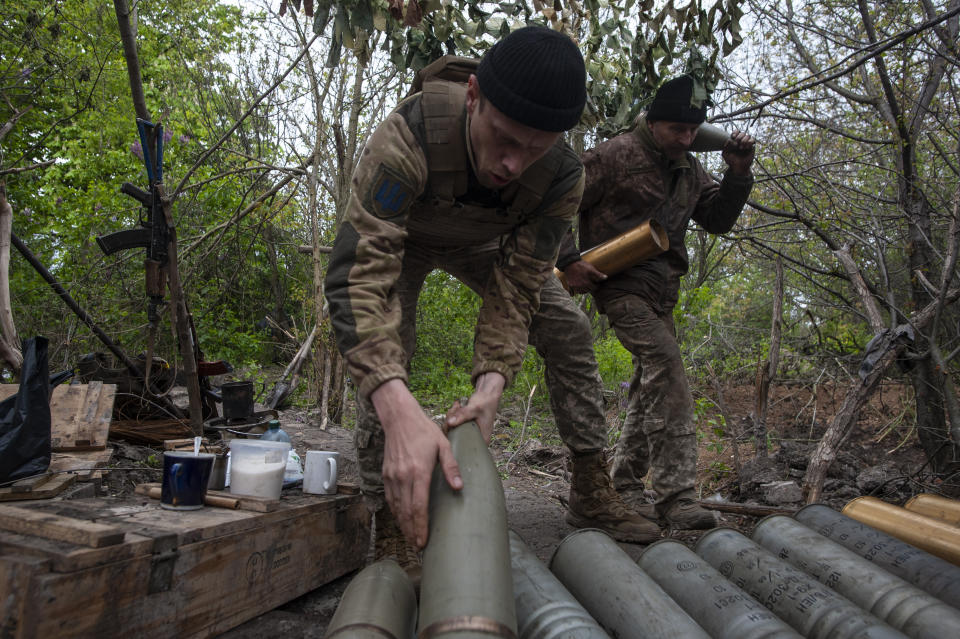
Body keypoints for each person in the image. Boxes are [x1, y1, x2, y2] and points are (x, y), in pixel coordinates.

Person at [325, 26, 659, 578]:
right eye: (503, 138)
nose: (512, 163)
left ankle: (591, 487)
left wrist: (493, 383)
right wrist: (397, 404)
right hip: (403, 238)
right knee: (388, 350)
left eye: (535, 148)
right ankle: (391, 520)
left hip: (484, 244)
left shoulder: (562, 177)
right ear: (475, 97)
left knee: (568, 329)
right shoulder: (408, 134)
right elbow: (359, 280)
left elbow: (520, 285)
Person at [556, 74, 756, 530]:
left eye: (691, 132)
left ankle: (624, 482)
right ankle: (677, 496)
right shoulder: (615, 154)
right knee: (667, 366)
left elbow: (717, 219)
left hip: (663, 290)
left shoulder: (688, 165)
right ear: (652, 120)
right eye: (675, 131)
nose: (685, 139)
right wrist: (567, 259)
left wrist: (738, 174)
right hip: (619, 283)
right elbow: (557, 199)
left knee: (652, 381)